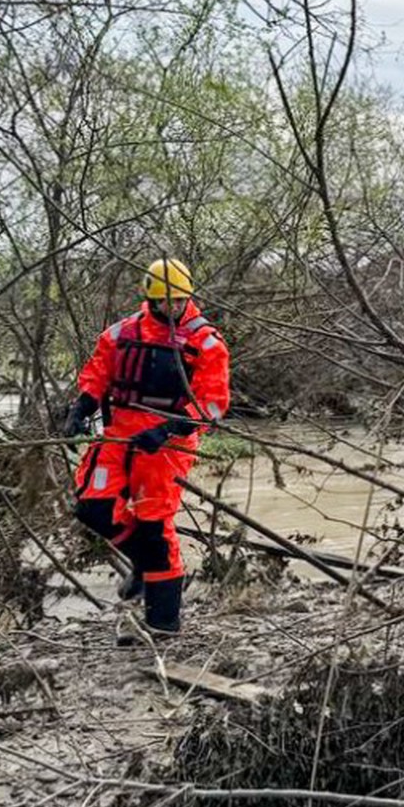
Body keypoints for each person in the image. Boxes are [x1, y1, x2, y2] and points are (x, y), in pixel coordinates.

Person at [66, 258, 231, 641]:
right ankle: (142, 564)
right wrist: (80, 409)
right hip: (119, 434)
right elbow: (97, 374)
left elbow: (213, 401)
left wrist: (170, 428)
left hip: (167, 445)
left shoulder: (205, 342)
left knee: (155, 526)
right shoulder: (120, 333)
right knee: (92, 506)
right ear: (150, 299)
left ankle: (163, 621)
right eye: (164, 302)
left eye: (178, 301)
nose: (172, 308)